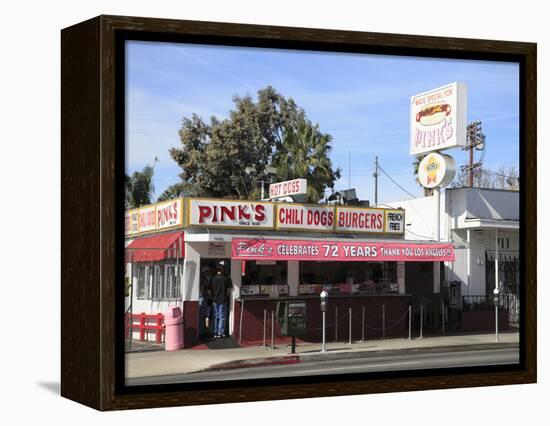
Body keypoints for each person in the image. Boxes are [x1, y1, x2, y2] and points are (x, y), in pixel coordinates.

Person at [208, 264, 232, 338]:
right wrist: (226, 296)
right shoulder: (226, 278)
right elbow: (229, 289)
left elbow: (208, 289)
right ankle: (220, 333)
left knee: (215, 316)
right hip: (223, 299)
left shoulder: (212, 278)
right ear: (222, 270)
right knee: (222, 316)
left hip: (215, 300)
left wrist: (211, 297)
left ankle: (215, 333)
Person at [198, 263, 215, 337]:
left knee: (204, 315)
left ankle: (204, 329)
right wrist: (209, 296)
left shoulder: (204, 279)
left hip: (203, 298)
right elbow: (202, 289)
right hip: (202, 298)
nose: (209, 272)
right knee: (202, 315)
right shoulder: (202, 280)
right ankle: (202, 331)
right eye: (207, 271)